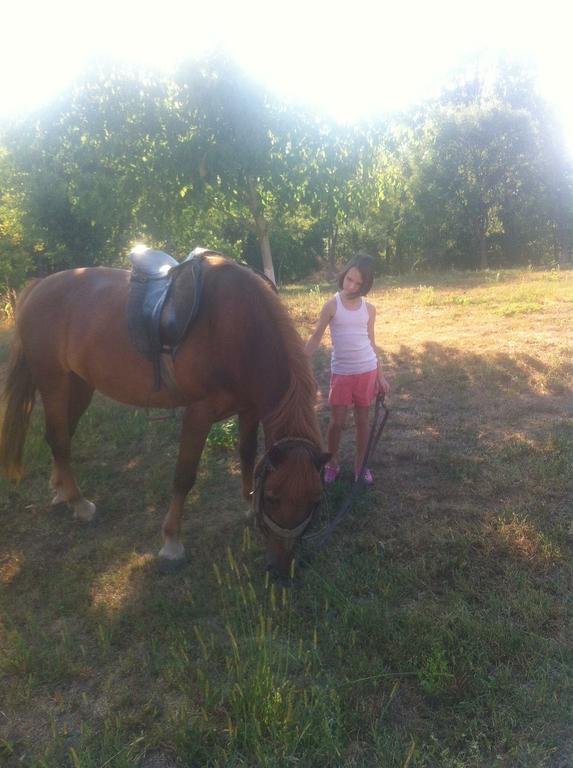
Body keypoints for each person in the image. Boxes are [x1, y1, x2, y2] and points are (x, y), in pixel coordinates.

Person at [305, 255, 390, 484]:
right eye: (349, 279)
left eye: (358, 283)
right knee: (337, 423)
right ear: (344, 274)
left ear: (365, 286)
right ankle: (331, 463)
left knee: (363, 422)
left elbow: (372, 342)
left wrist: (380, 376)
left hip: (367, 371)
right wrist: (299, 361)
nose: (351, 286)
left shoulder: (369, 309)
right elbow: (315, 338)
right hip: (342, 373)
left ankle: (360, 467)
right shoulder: (331, 306)